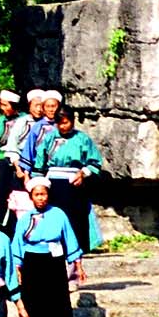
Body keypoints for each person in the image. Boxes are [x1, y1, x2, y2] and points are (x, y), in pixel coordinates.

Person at [14, 175, 82, 317]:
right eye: (37, 195)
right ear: (31, 197)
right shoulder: (25, 219)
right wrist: (18, 267)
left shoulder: (59, 214)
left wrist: (78, 265)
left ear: (48, 194)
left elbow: (69, 238)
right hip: (32, 259)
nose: (40, 198)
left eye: (43, 194)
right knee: (32, 294)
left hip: (54, 259)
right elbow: (18, 243)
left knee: (56, 294)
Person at [32, 105, 104, 256]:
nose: (63, 126)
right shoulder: (50, 138)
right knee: (55, 215)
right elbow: (40, 163)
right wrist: (38, 182)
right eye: (60, 123)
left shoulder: (82, 139)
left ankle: (77, 249)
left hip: (74, 183)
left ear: (72, 121)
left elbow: (94, 162)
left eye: (66, 122)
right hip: (53, 184)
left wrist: (83, 173)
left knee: (76, 217)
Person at [0, 90, 28, 233]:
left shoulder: (26, 120)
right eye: (1, 105)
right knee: (2, 197)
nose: (2, 108)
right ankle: (2, 227)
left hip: (23, 164)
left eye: (5, 105)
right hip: (3, 166)